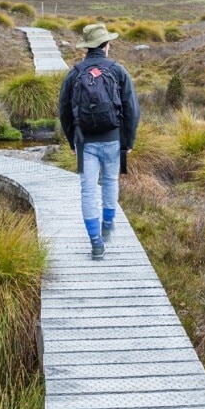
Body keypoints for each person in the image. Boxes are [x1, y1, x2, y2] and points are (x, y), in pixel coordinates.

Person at [59, 23, 140, 260]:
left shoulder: (75, 73)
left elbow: (63, 110)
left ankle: (95, 242)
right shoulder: (117, 70)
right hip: (113, 140)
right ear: (106, 45)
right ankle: (108, 224)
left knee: (87, 189)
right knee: (110, 181)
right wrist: (128, 140)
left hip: (84, 142)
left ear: (86, 47)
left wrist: (72, 141)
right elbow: (132, 109)